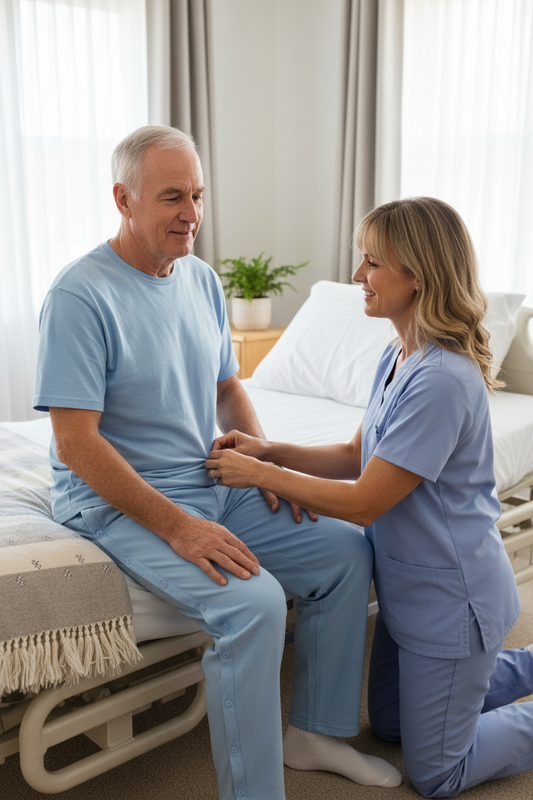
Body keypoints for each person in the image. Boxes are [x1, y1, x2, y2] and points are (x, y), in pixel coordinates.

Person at [33, 125, 402, 800]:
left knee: (348, 553)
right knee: (255, 606)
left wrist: (265, 464)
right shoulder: (79, 295)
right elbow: (75, 444)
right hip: (118, 499)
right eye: (172, 197)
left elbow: (228, 388)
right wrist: (178, 526)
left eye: (198, 195)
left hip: (209, 477)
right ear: (123, 199)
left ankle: (315, 734)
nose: (192, 213)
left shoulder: (200, 279)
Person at [206, 196, 533, 797]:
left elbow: (363, 502)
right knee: (388, 724)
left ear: (419, 275)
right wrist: (268, 451)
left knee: (437, 773)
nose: (358, 273)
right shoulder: (398, 354)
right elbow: (356, 453)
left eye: (373, 262)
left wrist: (258, 476)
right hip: (408, 594)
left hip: (451, 601)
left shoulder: (441, 380)